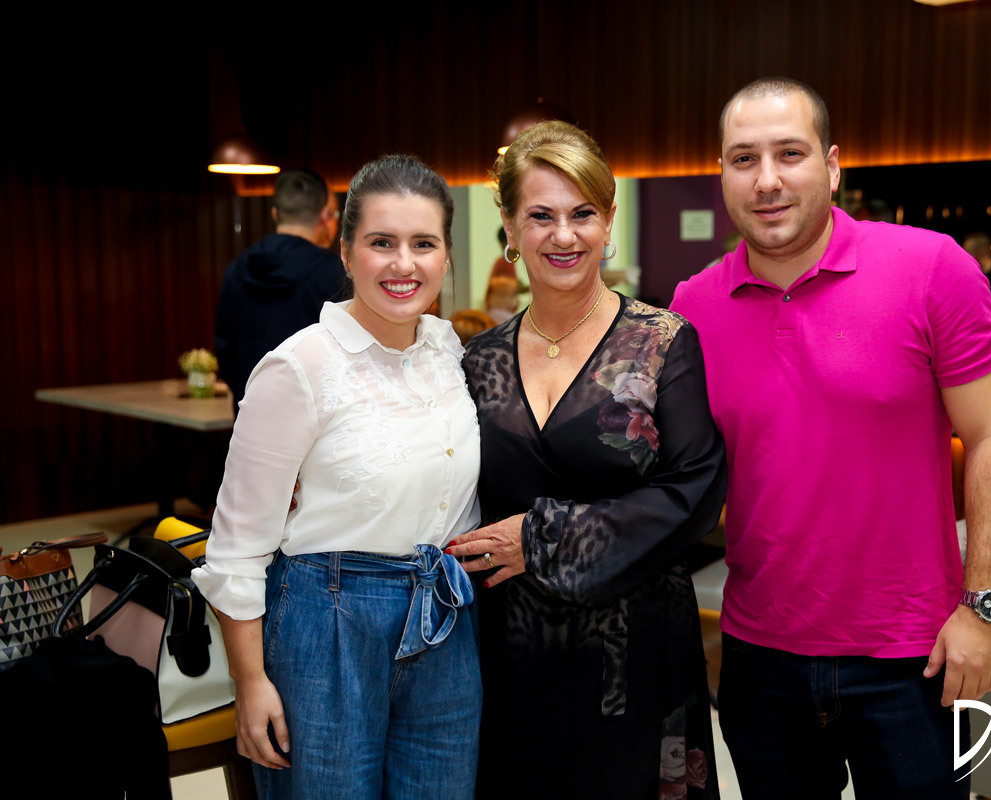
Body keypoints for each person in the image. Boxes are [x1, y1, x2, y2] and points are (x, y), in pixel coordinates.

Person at [670, 77, 991, 799]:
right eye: (744, 159)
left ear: (832, 166)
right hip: (759, 655)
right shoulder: (692, 305)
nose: (767, 180)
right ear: (722, 175)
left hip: (914, 656)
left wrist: (985, 607)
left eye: (789, 153)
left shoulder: (932, 269)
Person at [445, 120, 727, 800]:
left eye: (582, 214)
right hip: (508, 651)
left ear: (608, 221)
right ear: (510, 228)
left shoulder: (662, 342)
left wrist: (542, 538)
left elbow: (693, 492)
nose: (564, 235)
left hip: (634, 654)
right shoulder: (477, 359)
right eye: (541, 216)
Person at [193, 155, 482, 799]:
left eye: (424, 243)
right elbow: (236, 546)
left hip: (444, 616)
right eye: (382, 242)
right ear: (345, 251)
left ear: (446, 256)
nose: (404, 264)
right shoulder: (299, 366)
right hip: (327, 621)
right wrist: (250, 681)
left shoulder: (447, 351)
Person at [214, 169, 345, 411]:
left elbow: (225, 348)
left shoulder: (237, 268)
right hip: (315, 416)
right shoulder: (336, 273)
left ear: (275, 213)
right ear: (325, 216)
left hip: (250, 410)